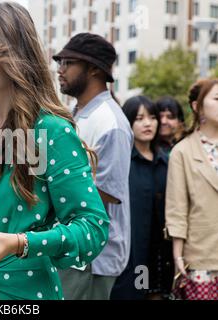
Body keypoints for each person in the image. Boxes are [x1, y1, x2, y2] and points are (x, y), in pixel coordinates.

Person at [0, 2, 109, 300]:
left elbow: (93, 228)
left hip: (24, 296)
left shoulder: (51, 132)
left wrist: (20, 243)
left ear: (13, 55)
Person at [54, 32, 133, 300]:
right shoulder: (76, 114)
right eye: (59, 62)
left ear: (94, 70)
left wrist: (51, 192)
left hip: (94, 256)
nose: (60, 70)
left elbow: (109, 193)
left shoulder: (111, 123)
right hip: (71, 246)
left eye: (68, 63)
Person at [110, 96, 172, 300]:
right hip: (132, 255)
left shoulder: (167, 160)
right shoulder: (123, 161)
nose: (148, 123)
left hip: (163, 254)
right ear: (128, 122)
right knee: (136, 292)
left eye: (152, 117)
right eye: (139, 118)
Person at [165, 78, 218, 300]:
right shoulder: (182, 152)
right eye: (216, 99)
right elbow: (177, 209)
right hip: (200, 256)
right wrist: (179, 257)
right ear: (198, 107)